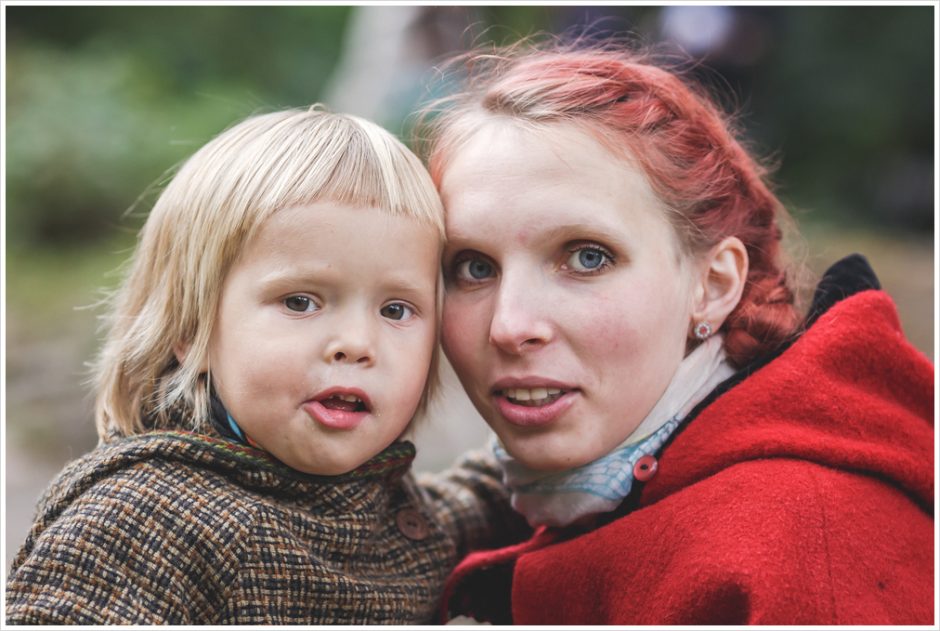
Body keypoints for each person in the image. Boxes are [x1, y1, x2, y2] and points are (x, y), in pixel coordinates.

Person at [418, 40, 935, 625]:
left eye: (587, 257)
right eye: (473, 268)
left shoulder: (803, 551)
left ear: (713, 285)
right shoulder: (565, 489)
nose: (510, 326)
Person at [5, 106, 522, 624]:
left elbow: (485, 497)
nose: (357, 344)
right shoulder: (144, 518)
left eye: (394, 310)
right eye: (301, 302)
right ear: (191, 328)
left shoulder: (389, 515)